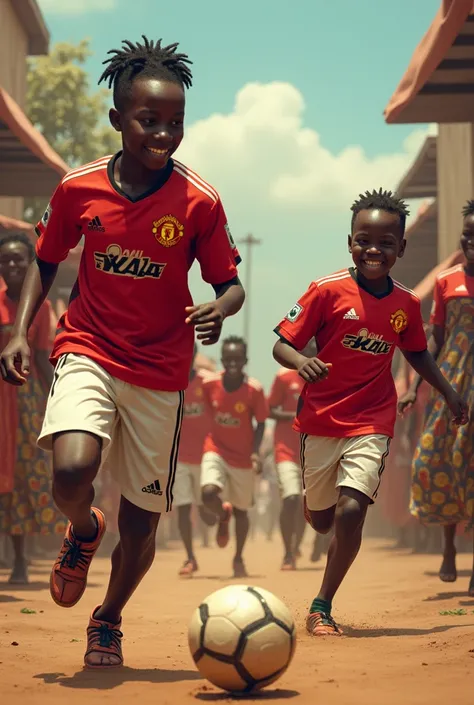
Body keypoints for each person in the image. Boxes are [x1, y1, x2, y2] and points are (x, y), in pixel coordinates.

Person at [0, 36, 244, 668]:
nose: (164, 134)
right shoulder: (78, 189)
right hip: (88, 347)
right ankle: (83, 532)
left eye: (175, 123)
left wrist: (220, 307)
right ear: (117, 119)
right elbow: (45, 261)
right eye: (148, 121)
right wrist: (20, 331)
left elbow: (230, 284)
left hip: (161, 371)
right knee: (72, 472)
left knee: (142, 526)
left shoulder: (200, 202)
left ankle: (107, 619)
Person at [272, 189, 468, 637]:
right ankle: (313, 505)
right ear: (349, 242)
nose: (373, 250)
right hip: (321, 421)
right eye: (364, 240)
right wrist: (302, 361)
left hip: (372, 419)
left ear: (401, 247)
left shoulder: (405, 305)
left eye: (385, 242)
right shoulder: (325, 291)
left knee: (350, 512)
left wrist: (450, 393)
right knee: (323, 520)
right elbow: (282, 342)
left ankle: (322, 605)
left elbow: (418, 354)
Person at [399, 200, 474, 593]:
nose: (471, 239)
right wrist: (415, 389)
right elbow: (436, 338)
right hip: (454, 382)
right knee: (438, 457)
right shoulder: (447, 281)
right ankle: (448, 546)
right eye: (467, 233)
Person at [0, 232, 66, 584]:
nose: (12, 265)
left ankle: (21, 560)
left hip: (25, 401)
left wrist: (60, 399)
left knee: (24, 479)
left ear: (29, 267)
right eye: (6, 260)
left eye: (18, 260)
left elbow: (42, 359)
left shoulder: (39, 310)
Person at [200, 336, 268, 578]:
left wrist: (255, 453)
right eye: (227, 359)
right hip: (215, 449)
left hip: (242, 457)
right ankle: (222, 514)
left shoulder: (254, 389)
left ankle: (238, 558)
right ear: (222, 360)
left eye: (237, 359)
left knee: (242, 511)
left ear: (245, 361)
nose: (232, 364)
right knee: (208, 493)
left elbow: (260, 423)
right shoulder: (209, 384)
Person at [268, 346, 313, 569]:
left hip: (312, 452)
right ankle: (287, 552)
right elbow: (270, 410)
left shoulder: (326, 374)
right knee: (291, 499)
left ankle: (296, 545)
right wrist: (297, 416)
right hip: (285, 451)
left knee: (306, 504)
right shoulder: (284, 376)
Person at [174, 343, 211, 577]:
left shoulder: (207, 383)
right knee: (182, 508)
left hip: (206, 456)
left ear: (194, 355)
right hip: (179, 457)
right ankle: (190, 556)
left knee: (207, 510)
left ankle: (221, 514)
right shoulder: (170, 382)